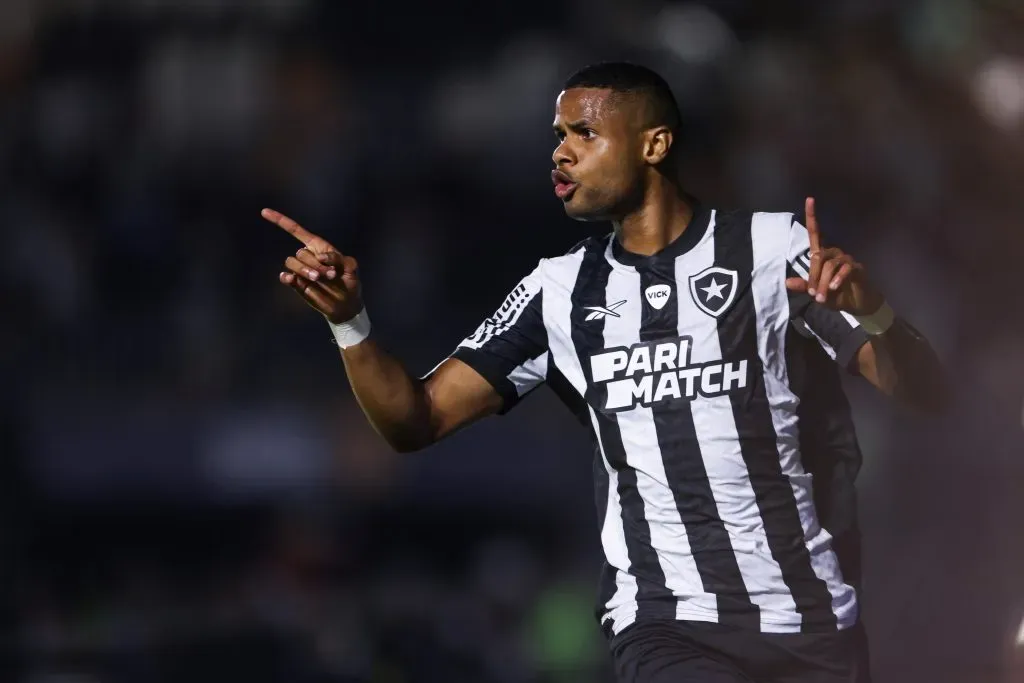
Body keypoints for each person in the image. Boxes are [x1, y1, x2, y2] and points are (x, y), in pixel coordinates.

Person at [263, 62, 948, 683]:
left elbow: (925, 391)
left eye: (584, 132)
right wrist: (349, 321)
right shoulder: (559, 291)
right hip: (668, 626)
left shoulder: (773, 251)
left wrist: (874, 310)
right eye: (558, 134)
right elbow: (415, 420)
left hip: (812, 621)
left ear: (654, 144)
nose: (561, 151)